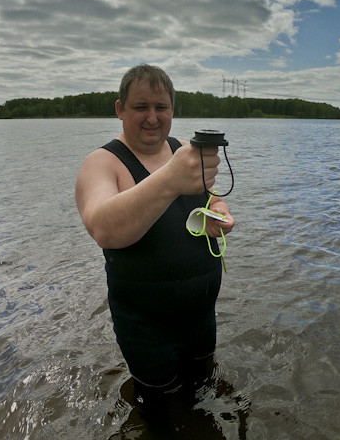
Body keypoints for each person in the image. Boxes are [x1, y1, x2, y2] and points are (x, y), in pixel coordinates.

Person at [75, 64, 235, 411]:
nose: (152, 117)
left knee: (202, 392)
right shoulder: (101, 163)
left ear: (172, 111)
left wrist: (219, 212)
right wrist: (170, 179)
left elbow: (210, 197)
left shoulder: (182, 152)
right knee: (159, 410)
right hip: (147, 329)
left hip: (201, 317)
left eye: (161, 107)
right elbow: (102, 227)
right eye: (140, 107)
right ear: (120, 109)